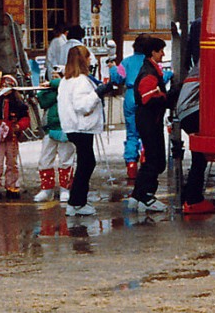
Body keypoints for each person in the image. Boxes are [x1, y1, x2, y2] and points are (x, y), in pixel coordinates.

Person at [57, 45, 103, 217]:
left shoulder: (65, 80)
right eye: (88, 57)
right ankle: (76, 202)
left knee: (85, 162)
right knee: (87, 163)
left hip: (72, 126)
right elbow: (82, 105)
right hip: (82, 126)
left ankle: (77, 200)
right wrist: (98, 93)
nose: (91, 60)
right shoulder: (81, 80)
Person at [125, 36, 169, 212]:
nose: (163, 54)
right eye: (161, 51)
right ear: (153, 52)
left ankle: (138, 195)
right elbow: (147, 99)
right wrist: (166, 97)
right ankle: (146, 196)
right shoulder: (149, 73)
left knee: (154, 158)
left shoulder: (150, 69)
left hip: (150, 119)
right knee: (153, 159)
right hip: (149, 120)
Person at [175, 21, 214, 215]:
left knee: (200, 156)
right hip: (194, 111)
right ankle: (193, 199)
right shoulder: (210, 63)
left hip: (186, 112)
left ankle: (190, 198)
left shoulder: (200, 63)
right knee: (200, 156)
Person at [109, 35, 151, 183]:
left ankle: (131, 164)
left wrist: (112, 69)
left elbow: (117, 79)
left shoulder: (126, 62)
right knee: (148, 130)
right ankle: (146, 156)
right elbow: (162, 77)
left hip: (130, 96)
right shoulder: (150, 62)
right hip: (146, 96)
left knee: (132, 133)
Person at [33, 74, 75, 203]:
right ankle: (46, 189)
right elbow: (42, 100)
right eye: (51, 76)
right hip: (50, 129)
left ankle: (65, 188)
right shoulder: (50, 93)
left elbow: (63, 83)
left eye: (57, 76)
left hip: (66, 128)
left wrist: (52, 83)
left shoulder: (69, 86)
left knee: (66, 159)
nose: (53, 79)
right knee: (44, 159)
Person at [0, 81, 30, 200]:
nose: (5, 89)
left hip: (12, 136)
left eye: (7, 86)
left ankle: (12, 186)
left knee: (12, 162)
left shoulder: (18, 104)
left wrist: (19, 126)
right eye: (3, 86)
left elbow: (25, 118)